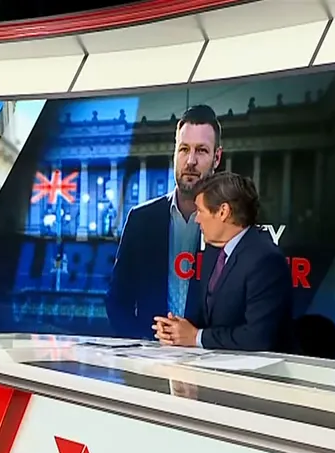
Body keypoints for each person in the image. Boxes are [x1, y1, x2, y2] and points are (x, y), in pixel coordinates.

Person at [105, 105, 223, 338]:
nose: (190, 161)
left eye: (201, 151)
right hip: (149, 355)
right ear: (174, 153)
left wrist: (198, 341)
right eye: (184, 149)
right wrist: (143, 345)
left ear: (216, 157)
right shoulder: (140, 220)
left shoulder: (231, 225)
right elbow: (117, 301)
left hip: (208, 358)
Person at [152, 172, 291, 351]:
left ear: (223, 212)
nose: (196, 219)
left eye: (200, 211)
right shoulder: (213, 251)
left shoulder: (265, 260)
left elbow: (258, 337)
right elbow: (209, 319)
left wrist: (196, 337)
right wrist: (176, 330)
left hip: (254, 367)